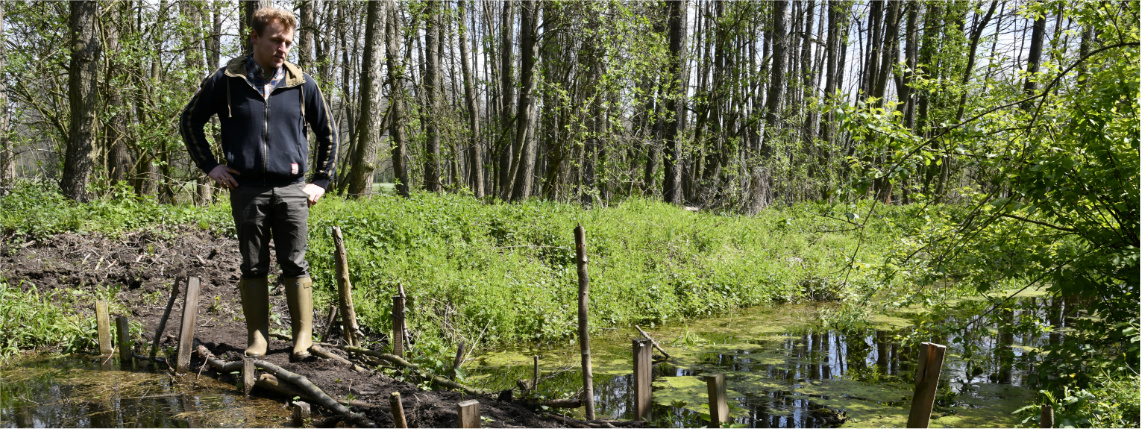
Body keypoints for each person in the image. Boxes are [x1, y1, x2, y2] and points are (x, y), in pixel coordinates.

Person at [179, 7, 338, 361]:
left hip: (292, 189)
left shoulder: (302, 84)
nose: (283, 48)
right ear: (255, 38)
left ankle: (302, 338)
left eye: (288, 43)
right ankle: (258, 338)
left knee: (295, 263)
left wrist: (321, 181)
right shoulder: (225, 80)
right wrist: (211, 166)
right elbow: (190, 120)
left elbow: (328, 132)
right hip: (246, 189)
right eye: (276, 41)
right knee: (253, 266)